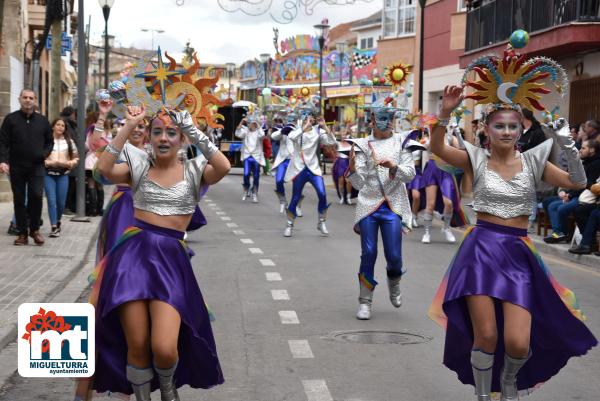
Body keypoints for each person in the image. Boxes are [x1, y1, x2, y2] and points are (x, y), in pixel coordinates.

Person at [428, 41, 597, 401]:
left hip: (518, 255)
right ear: (486, 129)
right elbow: (439, 149)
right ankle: (482, 394)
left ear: (521, 128)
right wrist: (444, 115)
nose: (506, 132)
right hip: (480, 252)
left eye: (512, 126)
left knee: (518, 343)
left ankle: (509, 383)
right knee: (486, 335)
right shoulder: (474, 157)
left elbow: (578, 183)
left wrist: (566, 143)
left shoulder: (535, 160)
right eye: (499, 126)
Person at [76, 106, 230, 401]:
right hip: (131, 261)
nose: (163, 138)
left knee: (164, 347)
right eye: (157, 131)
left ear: (181, 139)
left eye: (171, 132)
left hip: (171, 262)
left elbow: (222, 166)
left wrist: (194, 130)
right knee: (137, 343)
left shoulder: (195, 171)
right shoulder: (139, 167)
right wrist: (128, 125)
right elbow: (103, 171)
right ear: (148, 136)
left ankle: (168, 389)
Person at [346, 106, 415, 320]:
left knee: (394, 256)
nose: (385, 123)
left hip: (392, 205)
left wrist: (394, 167)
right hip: (369, 204)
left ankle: (394, 281)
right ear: (372, 120)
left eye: (389, 118)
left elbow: (410, 174)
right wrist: (353, 169)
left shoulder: (402, 142)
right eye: (380, 118)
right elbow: (359, 184)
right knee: (368, 253)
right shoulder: (361, 145)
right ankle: (365, 301)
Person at [0, 88, 53, 246]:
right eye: (25, 97)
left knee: (36, 196)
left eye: (31, 97)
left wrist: (43, 154)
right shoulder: (11, 119)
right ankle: (22, 233)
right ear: (19, 99)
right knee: (19, 199)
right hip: (17, 166)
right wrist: (3, 161)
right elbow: (3, 142)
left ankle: (35, 230)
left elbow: (50, 142)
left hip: (37, 167)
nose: (28, 100)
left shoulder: (43, 121)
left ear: (35, 100)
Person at [283, 108, 337, 237]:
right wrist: (304, 127)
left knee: (322, 194)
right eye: (306, 118)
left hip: (313, 169)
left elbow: (332, 141)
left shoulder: (317, 131)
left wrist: (325, 127)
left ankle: (321, 222)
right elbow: (291, 137)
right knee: (295, 197)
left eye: (311, 118)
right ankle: (289, 224)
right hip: (299, 169)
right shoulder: (297, 131)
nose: (309, 120)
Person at [543, 139, 600, 243]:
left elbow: (586, 185)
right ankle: (559, 233)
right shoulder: (585, 161)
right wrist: (565, 192)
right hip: (575, 193)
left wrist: (569, 195)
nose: (580, 150)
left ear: (592, 150)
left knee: (561, 208)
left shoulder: (596, 164)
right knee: (551, 205)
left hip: (585, 197)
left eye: (583, 148)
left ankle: (563, 233)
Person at [44, 118, 79, 237]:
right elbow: (39, 156)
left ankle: (58, 221)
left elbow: (76, 158)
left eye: (62, 126)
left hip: (63, 175)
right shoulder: (46, 141)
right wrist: (47, 163)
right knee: (51, 200)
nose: (60, 127)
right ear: (53, 126)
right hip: (48, 174)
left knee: (61, 203)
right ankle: (54, 226)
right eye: (58, 125)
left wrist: (69, 164)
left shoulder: (69, 142)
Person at [85, 100, 113, 216]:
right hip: (102, 161)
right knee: (100, 185)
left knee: (91, 184)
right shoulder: (108, 132)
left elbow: (86, 145)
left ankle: (92, 210)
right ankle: (100, 209)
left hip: (90, 160)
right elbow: (110, 145)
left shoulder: (91, 131)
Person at [235, 116, 265, 203]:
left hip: (256, 156)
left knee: (256, 175)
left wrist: (258, 126)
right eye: (250, 123)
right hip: (247, 156)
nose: (251, 125)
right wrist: (241, 121)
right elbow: (237, 133)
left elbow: (262, 135)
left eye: (253, 124)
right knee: (246, 173)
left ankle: (254, 192)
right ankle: (246, 188)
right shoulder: (246, 131)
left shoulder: (259, 132)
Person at [271, 111, 295, 213]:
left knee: (298, 184)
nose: (291, 121)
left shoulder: (300, 131)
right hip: (283, 160)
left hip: (295, 161)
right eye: (289, 119)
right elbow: (274, 136)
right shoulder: (282, 130)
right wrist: (283, 131)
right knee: (279, 181)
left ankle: (296, 205)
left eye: (293, 119)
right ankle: (283, 201)